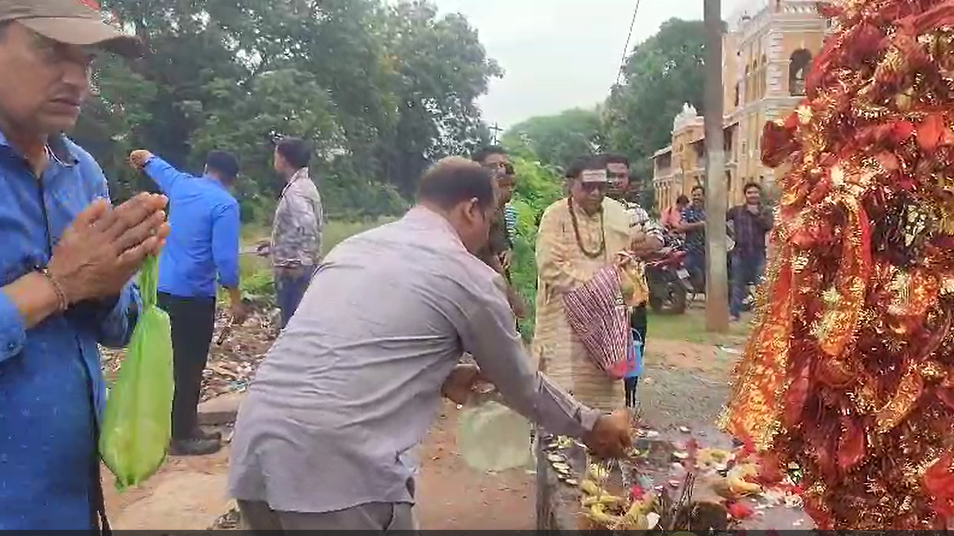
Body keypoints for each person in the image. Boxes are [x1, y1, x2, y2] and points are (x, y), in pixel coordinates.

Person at [228, 157, 632, 531]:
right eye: (488, 220)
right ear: (471, 209)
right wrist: (593, 425)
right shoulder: (466, 274)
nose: (483, 237)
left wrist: (440, 376)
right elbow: (521, 384)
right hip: (338, 475)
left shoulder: (353, 249)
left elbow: (345, 348)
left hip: (255, 456)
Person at [0, 2, 170, 529]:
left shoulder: (80, 171)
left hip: (72, 498)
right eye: (50, 51)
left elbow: (117, 327)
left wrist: (108, 283)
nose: (76, 80)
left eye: (87, 62)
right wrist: (58, 284)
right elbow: (64, 285)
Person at [129, 149, 247, 456]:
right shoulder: (225, 204)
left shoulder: (181, 185)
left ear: (207, 169)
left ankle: (174, 426)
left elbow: (156, 165)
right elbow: (225, 262)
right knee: (189, 366)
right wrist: (236, 300)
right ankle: (182, 436)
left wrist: (143, 158)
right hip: (193, 297)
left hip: (162, 292)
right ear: (232, 179)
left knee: (167, 362)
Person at [532, 156, 661, 413]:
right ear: (570, 183)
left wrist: (625, 281)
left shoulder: (616, 214)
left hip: (606, 321)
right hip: (563, 319)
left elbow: (627, 258)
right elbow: (550, 266)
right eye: (587, 186)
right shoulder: (554, 215)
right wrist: (600, 286)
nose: (595, 192)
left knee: (604, 399)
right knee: (562, 397)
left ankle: (602, 446)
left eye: (601, 186)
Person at [601, 154, 664, 409]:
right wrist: (634, 242)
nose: (616, 181)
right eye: (611, 175)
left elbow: (657, 241)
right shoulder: (593, 210)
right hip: (601, 297)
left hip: (634, 298)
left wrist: (623, 246)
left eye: (621, 176)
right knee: (601, 355)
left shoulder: (636, 211)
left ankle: (628, 404)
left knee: (632, 350)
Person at [268, 137, 322, 328]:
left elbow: (308, 227)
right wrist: (273, 245)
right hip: (296, 267)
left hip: (293, 273)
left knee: (292, 326)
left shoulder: (296, 191)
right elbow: (297, 228)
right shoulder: (303, 186)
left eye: (276, 155)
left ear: (283, 159)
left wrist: (300, 262)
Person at [472, 146, 526, 319]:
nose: (500, 171)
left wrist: (507, 247)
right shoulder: (475, 208)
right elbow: (490, 259)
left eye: (504, 165)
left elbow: (500, 242)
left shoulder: (499, 207)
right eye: (493, 167)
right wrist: (512, 299)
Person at [726, 182, 773, 321]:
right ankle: (734, 313)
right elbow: (720, 220)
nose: (753, 195)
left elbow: (769, 226)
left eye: (755, 193)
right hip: (740, 253)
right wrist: (729, 237)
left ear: (759, 195)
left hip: (758, 254)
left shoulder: (765, 211)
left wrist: (757, 215)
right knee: (737, 285)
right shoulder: (737, 211)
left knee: (761, 286)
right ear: (745, 195)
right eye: (750, 193)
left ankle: (762, 315)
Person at [678, 185, 707, 287]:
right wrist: (699, 225)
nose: (696, 197)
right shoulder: (687, 210)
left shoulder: (710, 210)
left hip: (707, 250)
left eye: (699, 195)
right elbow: (681, 226)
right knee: (689, 267)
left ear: (704, 196)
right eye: (694, 195)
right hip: (691, 248)